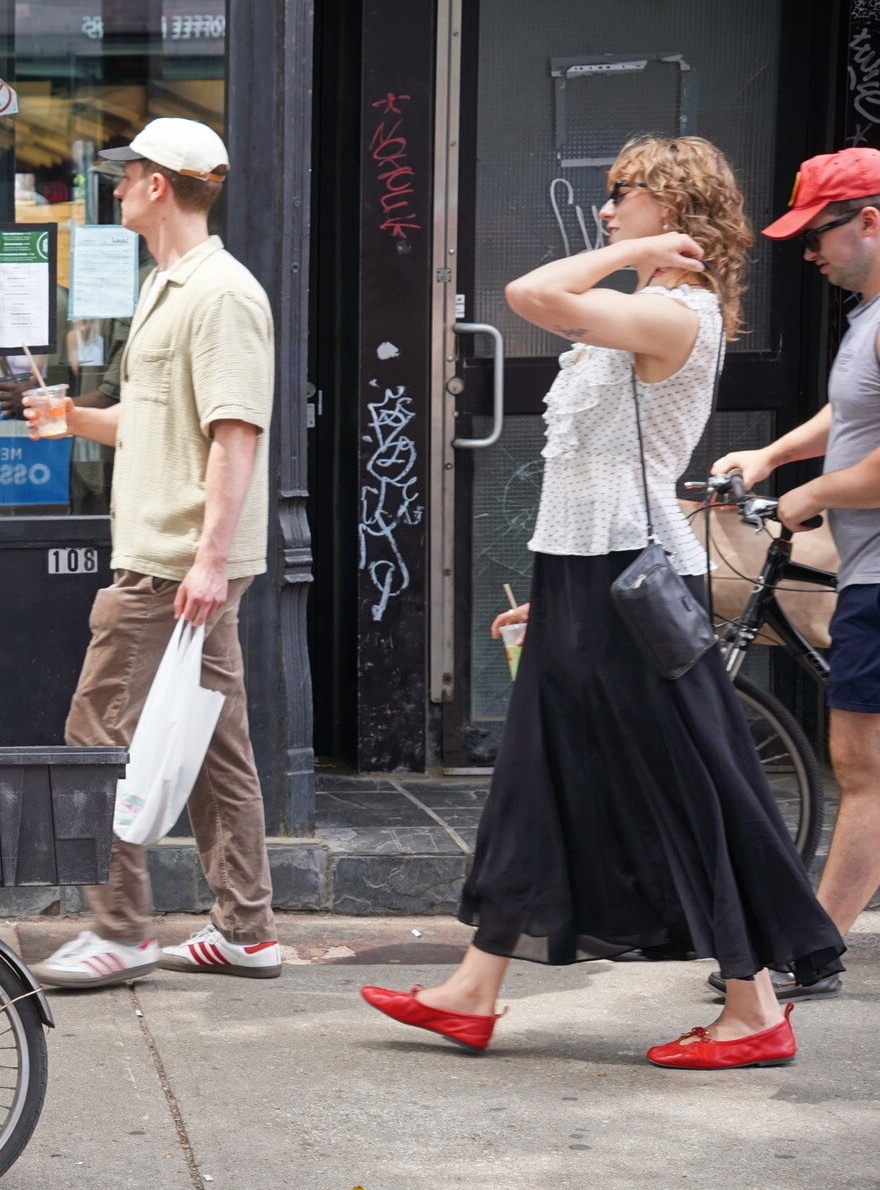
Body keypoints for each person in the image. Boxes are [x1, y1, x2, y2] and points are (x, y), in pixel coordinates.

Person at [360, 135, 845, 1069]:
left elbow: (528, 294)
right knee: (534, 777)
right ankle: (471, 989)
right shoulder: (638, 312)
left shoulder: (674, 313)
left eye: (625, 195)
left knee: (688, 781)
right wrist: (558, 604)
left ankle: (752, 1009)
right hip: (584, 572)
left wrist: (638, 255)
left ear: (672, 208)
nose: (607, 209)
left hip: (628, 572)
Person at [28, 117, 282, 988]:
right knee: (214, 749)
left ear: (159, 185)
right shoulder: (165, 285)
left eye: (126, 174)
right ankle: (246, 930)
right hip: (178, 557)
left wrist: (207, 561)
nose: (118, 186)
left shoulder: (221, 295)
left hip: (171, 564)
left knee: (93, 737)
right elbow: (153, 423)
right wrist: (72, 418)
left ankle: (122, 930)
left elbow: (236, 435)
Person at [711, 146, 880, 1000]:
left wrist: (804, 496)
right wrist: (772, 454)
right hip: (866, 567)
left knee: (862, 767)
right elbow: (850, 416)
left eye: (817, 234)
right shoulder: (867, 317)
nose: (807, 252)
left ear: (869, 221)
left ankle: (812, 950)